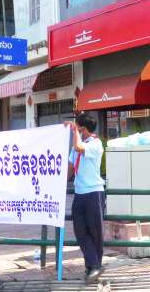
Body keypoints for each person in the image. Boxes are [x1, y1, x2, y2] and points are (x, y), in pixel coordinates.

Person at [64, 113, 105, 284]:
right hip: (79, 194)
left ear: (83, 129)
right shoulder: (76, 147)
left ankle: (93, 267)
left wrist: (74, 133)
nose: (77, 131)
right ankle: (94, 265)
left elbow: (79, 147)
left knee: (95, 232)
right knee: (80, 231)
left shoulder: (95, 144)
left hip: (94, 193)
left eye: (78, 128)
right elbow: (70, 169)